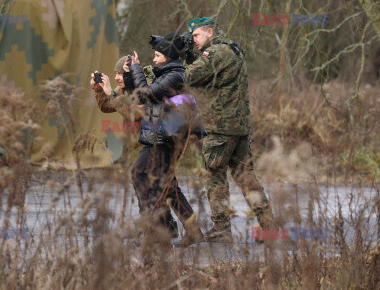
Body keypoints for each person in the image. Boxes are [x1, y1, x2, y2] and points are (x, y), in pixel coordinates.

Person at [184, 17, 273, 242]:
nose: (193, 40)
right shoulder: (231, 48)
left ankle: (222, 229)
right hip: (239, 126)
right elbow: (211, 78)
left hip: (221, 127)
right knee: (246, 177)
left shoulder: (216, 53)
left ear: (210, 31)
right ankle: (268, 226)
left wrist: (178, 58)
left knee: (215, 176)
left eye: (196, 35)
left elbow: (189, 76)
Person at [123, 33, 204, 246]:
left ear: (167, 57)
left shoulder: (174, 76)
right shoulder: (164, 73)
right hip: (157, 136)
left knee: (141, 174)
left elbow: (145, 95)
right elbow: (137, 96)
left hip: (166, 137)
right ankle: (186, 229)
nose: (154, 59)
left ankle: (155, 229)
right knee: (167, 185)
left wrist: (137, 68)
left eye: (158, 55)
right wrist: (130, 75)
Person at [90, 57, 180, 238]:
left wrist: (112, 94)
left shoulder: (144, 85)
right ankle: (166, 225)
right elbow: (107, 107)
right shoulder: (124, 87)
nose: (116, 78)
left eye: (119, 74)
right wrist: (99, 90)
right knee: (160, 183)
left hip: (166, 138)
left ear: (130, 73)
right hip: (153, 139)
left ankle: (154, 225)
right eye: (115, 74)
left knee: (144, 176)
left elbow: (135, 115)